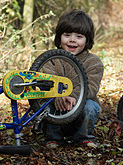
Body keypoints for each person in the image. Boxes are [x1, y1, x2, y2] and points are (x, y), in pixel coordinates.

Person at [44, 9, 104, 149]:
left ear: (87, 39)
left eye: (79, 36)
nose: (72, 40)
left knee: (91, 106)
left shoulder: (93, 62)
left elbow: (91, 87)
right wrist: (58, 96)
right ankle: (53, 138)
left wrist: (72, 95)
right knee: (45, 102)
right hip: (55, 114)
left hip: (80, 114)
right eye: (67, 35)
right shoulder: (50, 59)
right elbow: (44, 81)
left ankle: (83, 136)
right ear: (59, 37)